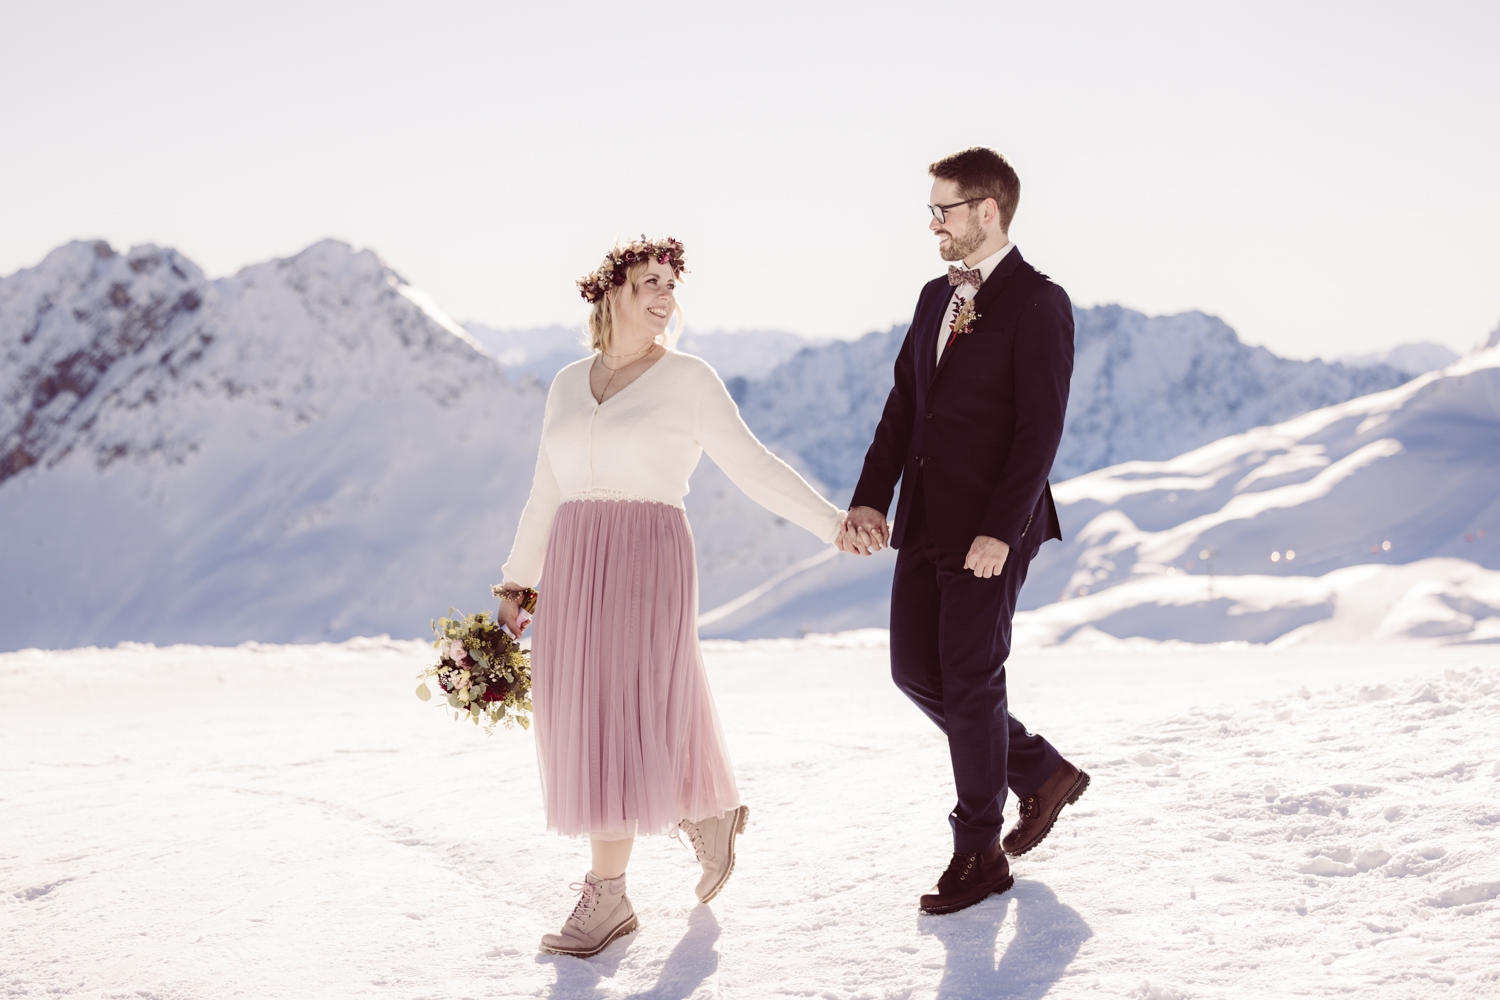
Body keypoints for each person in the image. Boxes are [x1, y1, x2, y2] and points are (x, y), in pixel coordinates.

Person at [495, 237, 846, 957]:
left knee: (622, 706)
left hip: (646, 555)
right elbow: (546, 491)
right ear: (611, 292)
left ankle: (609, 896)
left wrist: (832, 525)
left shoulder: (688, 379)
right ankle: (709, 811)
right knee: (592, 706)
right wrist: (516, 583)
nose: (664, 294)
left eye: (670, 283)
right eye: (649, 281)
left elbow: (752, 465)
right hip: (574, 558)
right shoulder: (567, 383)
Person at [836, 147, 1090, 915]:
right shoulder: (932, 298)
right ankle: (1039, 769)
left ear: (988, 210)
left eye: (943, 210)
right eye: (931, 211)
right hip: (924, 520)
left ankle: (978, 851)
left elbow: (1040, 430)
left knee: (972, 678)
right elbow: (904, 408)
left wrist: (1001, 531)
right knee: (916, 670)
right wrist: (870, 499)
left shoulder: (1039, 301)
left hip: (991, 528)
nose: (933, 225)